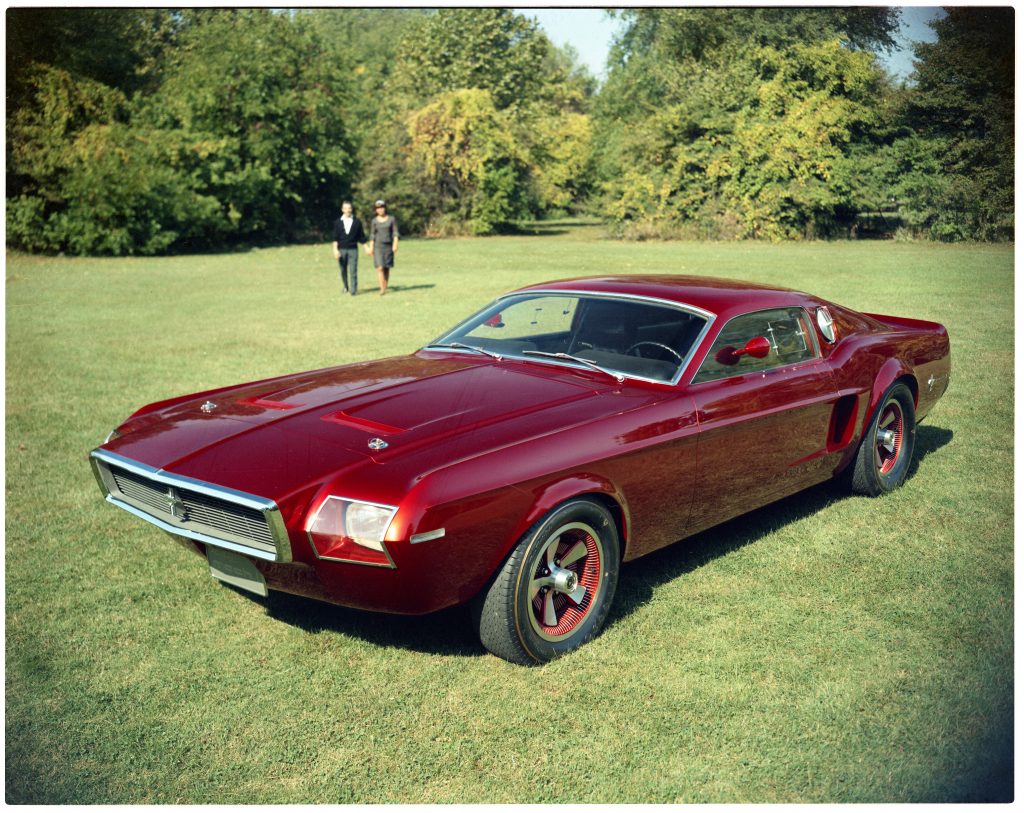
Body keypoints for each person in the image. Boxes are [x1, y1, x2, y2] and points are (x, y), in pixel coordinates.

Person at [332, 201, 367, 296]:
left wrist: (366, 247)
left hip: (353, 249)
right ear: (342, 209)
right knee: (343, 269)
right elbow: (335, 238)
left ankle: (353, 289)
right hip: (341, 250)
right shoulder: (337, 223)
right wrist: (335, 250)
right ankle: (345, 286)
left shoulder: (357, 222)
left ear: (351, 209)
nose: (347, 210)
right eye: (345, 208)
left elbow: (361, 237)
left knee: (353, 270)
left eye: (349, 208)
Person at [367, 199, 399, 296]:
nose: (380, 210)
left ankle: (385, 285)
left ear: (385, 208)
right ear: (376, 210)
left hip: (388, 246)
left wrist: (395, 244)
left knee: (386, 267)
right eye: (378, 208)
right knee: (380, 267)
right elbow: (372, 235)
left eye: (382, 208)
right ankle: (382, 289)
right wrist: (371, 247)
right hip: (378, 246)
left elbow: (395, 233)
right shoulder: (374, 221)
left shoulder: (391, 219)